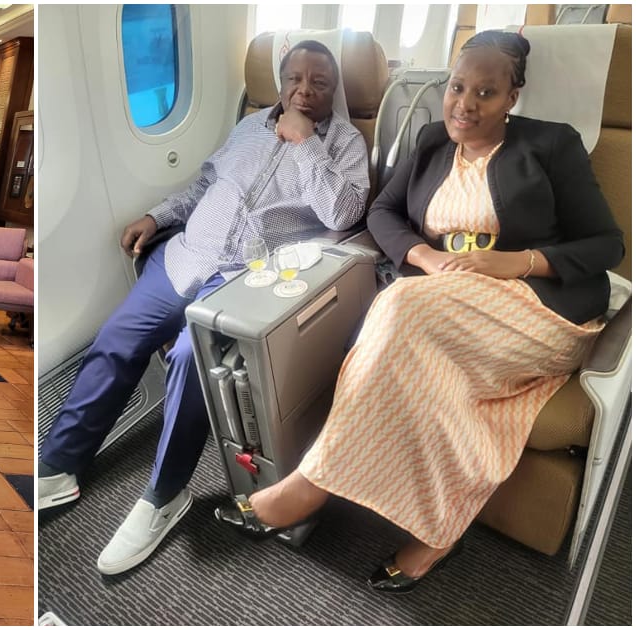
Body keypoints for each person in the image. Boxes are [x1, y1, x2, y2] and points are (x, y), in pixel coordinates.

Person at [226, 31, 623, 593]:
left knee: (398, 307)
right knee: (409, 324)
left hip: (537, 307)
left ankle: (311, 485)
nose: (465, 104)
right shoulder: (434, 141)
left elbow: (607, 246)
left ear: (513, 96)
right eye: (458, 87)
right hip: (441, 293)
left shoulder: (552, 145)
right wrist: (425, 256)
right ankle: (441, 528)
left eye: (486, 92)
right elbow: (383, 212)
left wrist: (521, 262)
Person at [38, 40, 371, 575]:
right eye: (294, 79)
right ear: (280, 81)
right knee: (115, 340)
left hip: (246, 281)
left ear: (336, 89)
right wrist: (157, 214)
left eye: (320, 82)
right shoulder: (247, 127)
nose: (304, 91)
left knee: (195, 360)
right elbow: (204, 185)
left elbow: (345, 211)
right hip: (186, 256)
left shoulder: (346, 143)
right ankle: (58, 465)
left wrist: (307, 142)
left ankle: (165, 494)